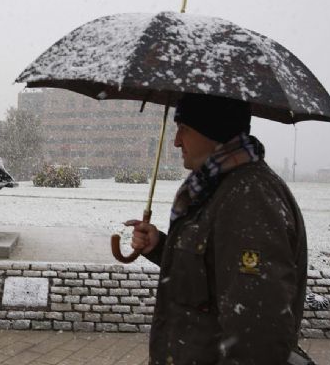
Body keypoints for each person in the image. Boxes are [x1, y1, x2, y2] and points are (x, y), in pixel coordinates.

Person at [126, 93, 308, 364]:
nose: (176, 141)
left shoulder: (250, 198)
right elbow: (211, 275)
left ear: (211, 130)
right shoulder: (217, 187)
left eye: (183, 129)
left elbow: (258, 335)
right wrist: (160, 246)